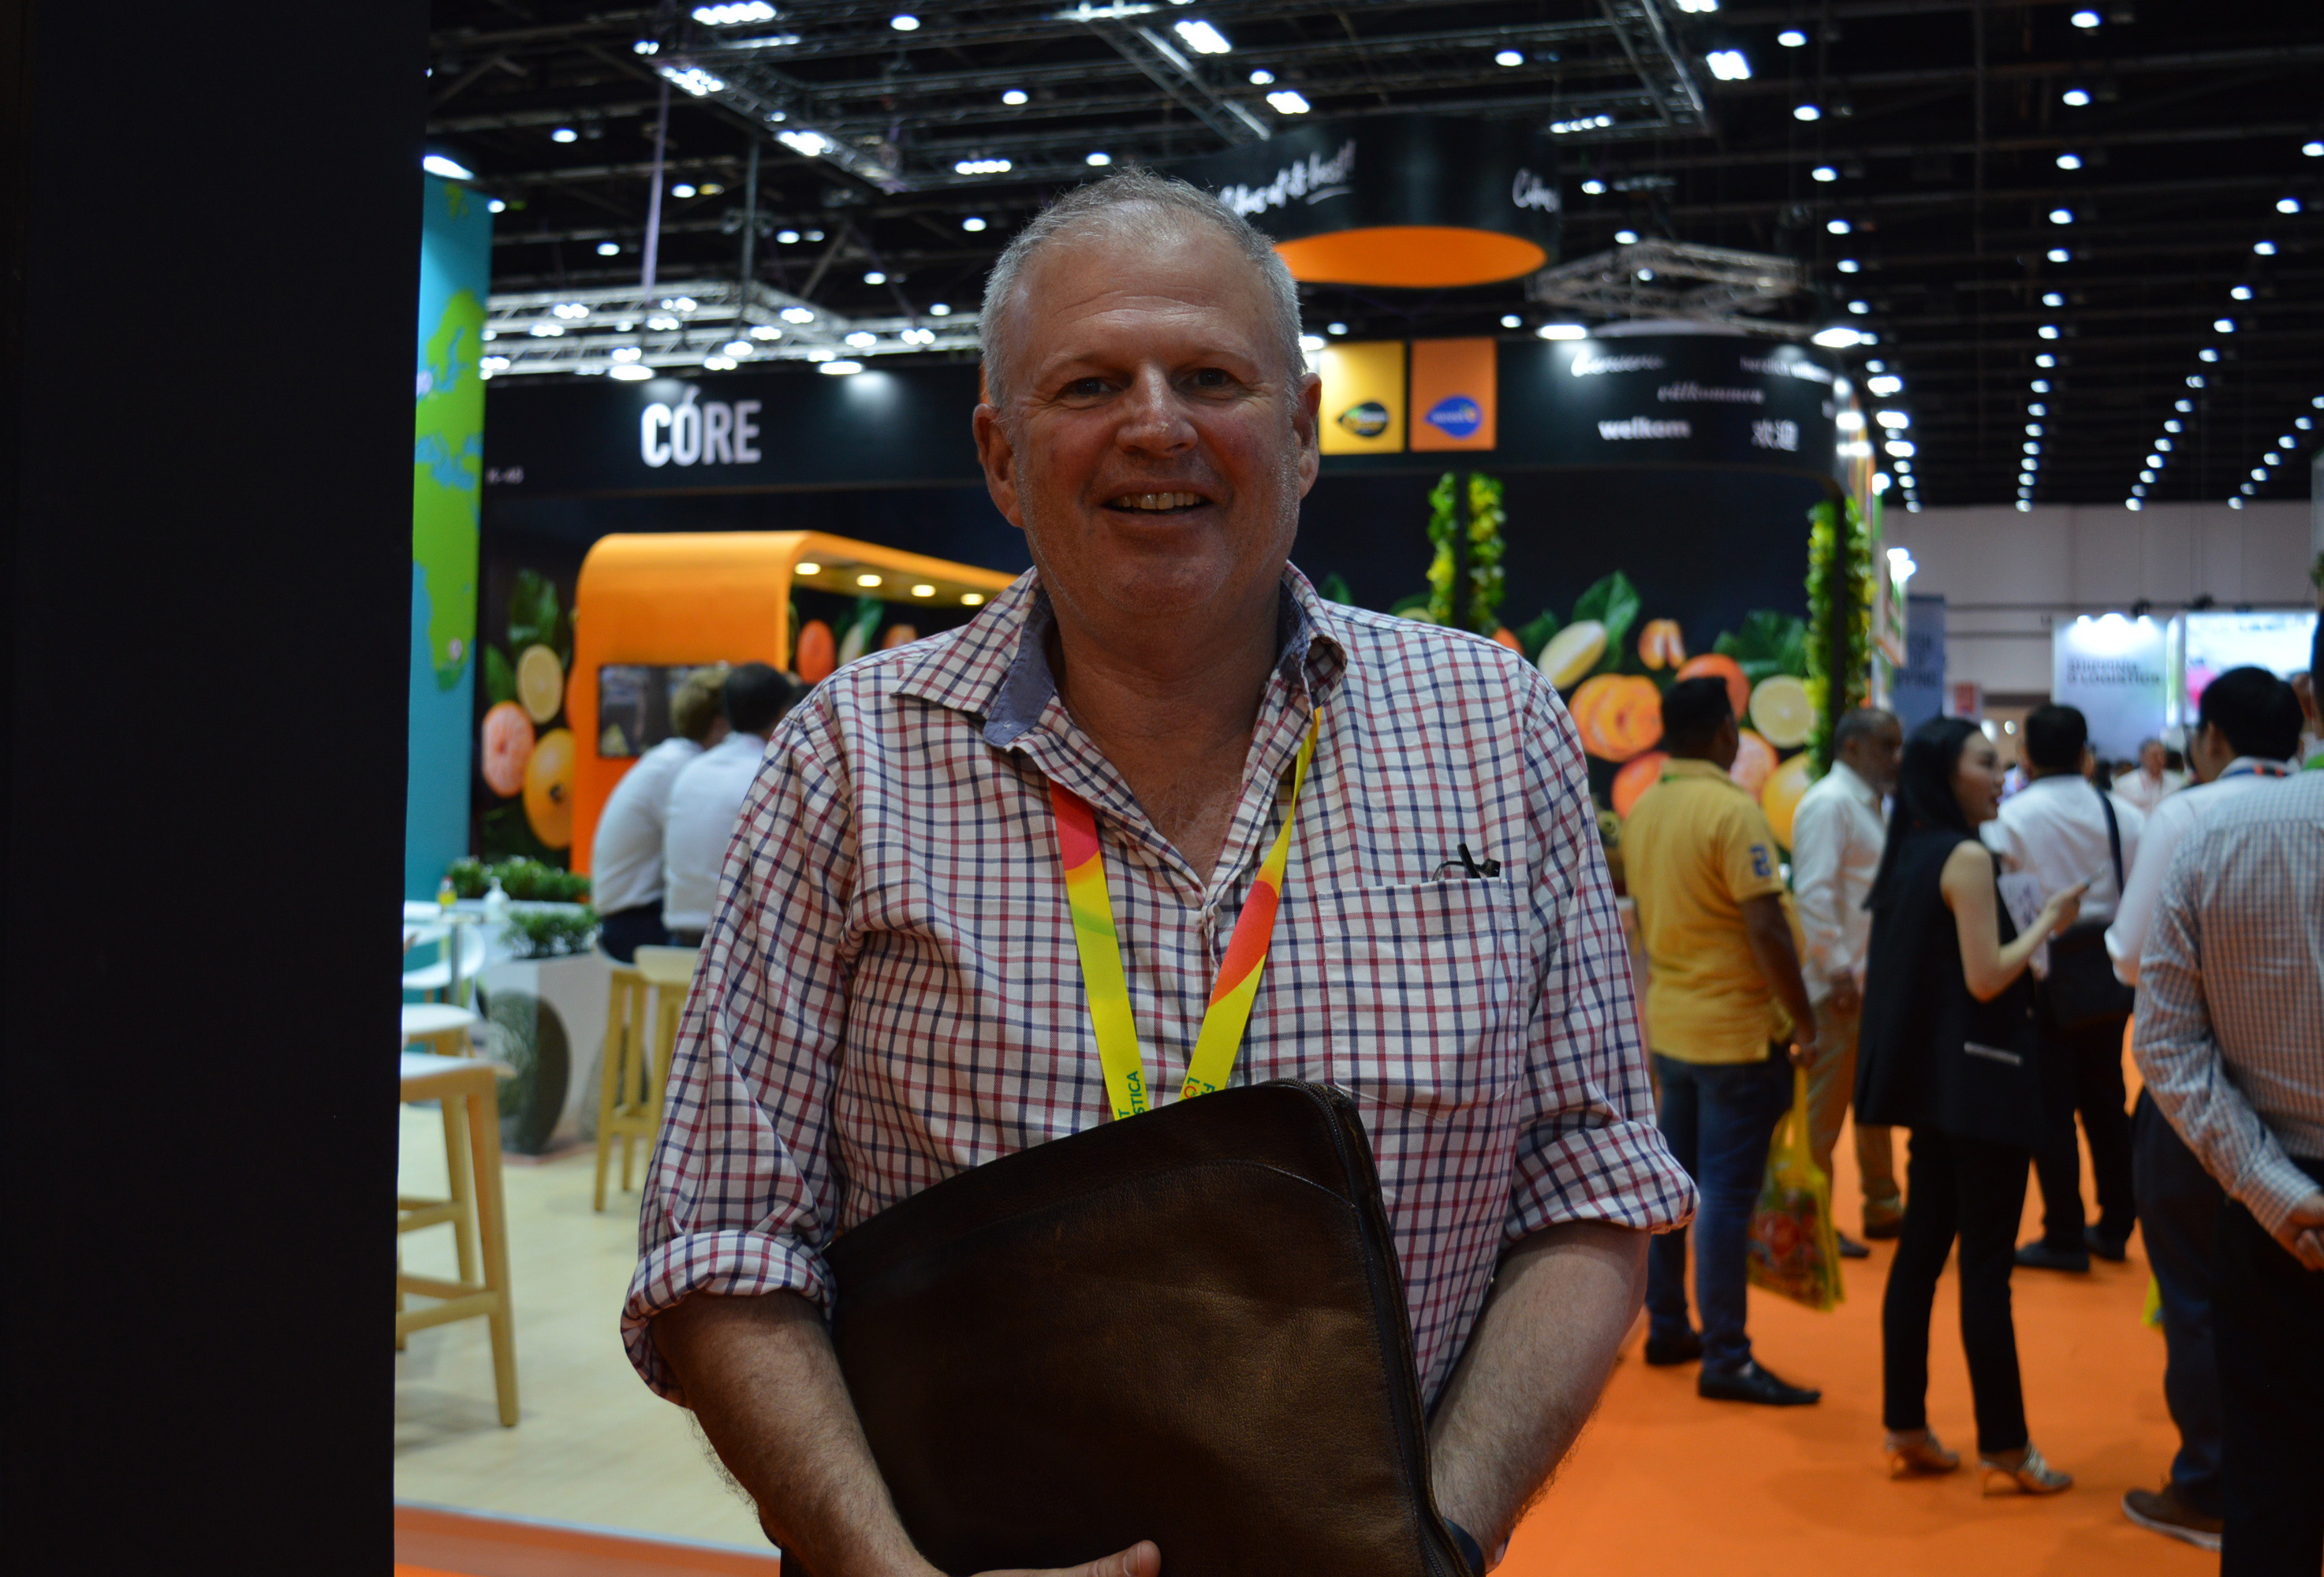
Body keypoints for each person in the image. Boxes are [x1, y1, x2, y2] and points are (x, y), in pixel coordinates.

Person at [622, 169, 1695, 1577]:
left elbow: (1590, 1182)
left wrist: (1433, 1543)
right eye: (1088, 385)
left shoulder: (1493, 731)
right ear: (1001, 457)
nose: (1155, 425)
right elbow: (722, 1241)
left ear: (1301, 432)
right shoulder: (852, 759)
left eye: (1209, 376)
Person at [2131, 587, 2324, 1576]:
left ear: (2309, 695)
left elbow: (2163, 1043)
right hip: (2299, 1207)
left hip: (2281, 1223)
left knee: (2270, 1512)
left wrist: (2270, 1190)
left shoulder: (2213, 836)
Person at [2098, 665, 2303, 1551]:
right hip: (2317, 1097)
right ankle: (2279, 1478)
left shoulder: (2187, 815)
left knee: (2196, 1295)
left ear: (2210, 739)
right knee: (2300, 1299)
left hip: (2197, 1098)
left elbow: (2129, 956)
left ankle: (2212, 1482)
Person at [1858, 716, 2087, 1494]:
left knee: (1921, 1256)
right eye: (1985, 763)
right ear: (1944, 773)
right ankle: (2006, 1443)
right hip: (1983, 1088)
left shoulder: (1914, 850)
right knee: (1985, 1268)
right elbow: (1987, 976)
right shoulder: (1962, 856)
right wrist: (2050, 919)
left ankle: (1905, 1423)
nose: (2000, 776)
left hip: (1935, 1089)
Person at [1626, 675, 1822, 1407]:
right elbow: (1766, 925)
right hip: (1738, 1034)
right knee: (1725, 1200)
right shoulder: (1733, 811)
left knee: (1678, 1190)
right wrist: (1805, 1022)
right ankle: (1728, 1357)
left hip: (1674, 1027)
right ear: (1723, 733)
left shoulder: (1647, 808)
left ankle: (1668, 1325)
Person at [1983, 703, 2145, 1270]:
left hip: (2040, 974)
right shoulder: (2125, 815)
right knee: (2106, 1100)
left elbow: (2002, 900)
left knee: (2050, 1108)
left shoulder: (2010, 818)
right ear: (2085, 755)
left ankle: (2065, 1233)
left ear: (2025, 755)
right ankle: (2118, 1224)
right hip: (2106, 971)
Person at [1790, 706, 1906, 1254]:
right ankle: (1810, 1226)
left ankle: (1884, 1205)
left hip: (1865, 981)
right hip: (1840, 985)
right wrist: (1837, 971)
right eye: (1887, 745)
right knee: (1825, 1116)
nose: (1896, 757)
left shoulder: (1867, 803)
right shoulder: (1831, 803)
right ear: (1853, 747)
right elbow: (1812, 894)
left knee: (1875, 1101)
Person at [591, 665, 730, 963]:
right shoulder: (684, 770)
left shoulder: (670, 759)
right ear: (719, 725)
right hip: (638, 924)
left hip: (626, 921)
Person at [662, 663, 796, 945]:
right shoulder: (770, 773)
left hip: (676, 942)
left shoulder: (690, 771)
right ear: (784, 714)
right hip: (734, 946)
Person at [2113, 737, 2188, 818]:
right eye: (2154, 755)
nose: (2160, 759)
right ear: (2142, 757)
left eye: (2162, 755)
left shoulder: (2178, 783)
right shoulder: (2123, 785)